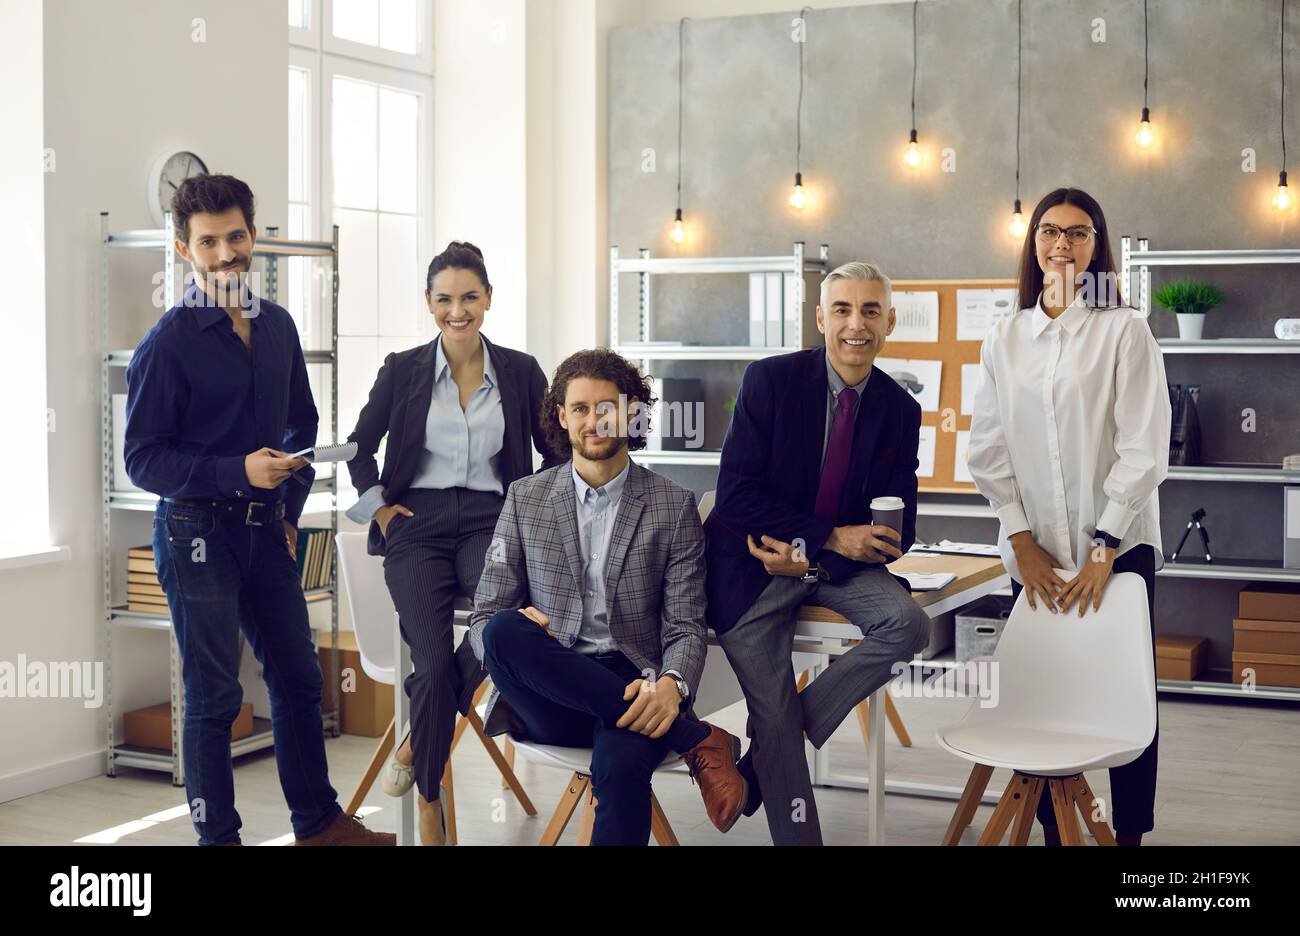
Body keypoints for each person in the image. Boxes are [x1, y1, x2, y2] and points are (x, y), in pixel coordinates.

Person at [125, 173, 391, 845]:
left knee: (301, 683)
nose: (224, 254)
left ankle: (319, 825)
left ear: (254, 235)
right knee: (214, 700)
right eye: (207, 242)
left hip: (266, 535)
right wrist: (234, 471)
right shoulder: (168, 343)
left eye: (235, 236)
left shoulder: (278, 327)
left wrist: (289, 509)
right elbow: (142, 459)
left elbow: (302, 422)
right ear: (185, 250)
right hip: (195, 537)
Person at [469, 349, 746, 845]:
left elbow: (685, 624)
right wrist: (522, 619)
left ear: (632, 411)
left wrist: (672, 686)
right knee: (505, 629)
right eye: (580, 408)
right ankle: (694, 740)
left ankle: (676, 727)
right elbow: (485, 615)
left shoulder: (672, 505)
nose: (593, 421)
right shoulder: (525, 498)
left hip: (638, 684)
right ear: (561, 416)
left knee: (620, 768)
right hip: (548, 692)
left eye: (607, 407)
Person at [967, 186, 1171, 846]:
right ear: (1033, 243)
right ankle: (1058, 830)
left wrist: (1104, 543)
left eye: (1078, 234)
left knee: (1124, 691)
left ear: (1096, 246)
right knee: (1047, 686)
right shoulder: (1005, 338)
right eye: (1050, 232)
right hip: (1038, 552)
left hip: (1120, 544)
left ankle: (1129, 834)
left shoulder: (1124, 330)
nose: (1062, 245)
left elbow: (1144, 447)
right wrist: (1020, 540)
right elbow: (987, 448)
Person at [704, 261, 931, 846]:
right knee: (773, 716)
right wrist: (826, 535)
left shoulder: (900, 409)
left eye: (871, 311)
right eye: (843, 310)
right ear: (820, 318)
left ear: (890, 323)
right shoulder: (769, 381)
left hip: (833, 568)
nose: (856, 324)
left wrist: (851, 546)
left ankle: (761, 761)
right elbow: (735, 497)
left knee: (907, 623)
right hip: (756, 568)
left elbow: (901, 520)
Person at [345, 241, 557, 845]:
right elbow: (359, 446)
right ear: (429, 303)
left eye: (469, 297)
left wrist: (539, 516)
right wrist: (380, 509)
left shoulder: (519, 370)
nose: (457, 310)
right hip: (418, 522)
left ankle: (418, 745)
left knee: (506, 621)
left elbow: (553, 452)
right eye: (445, 299)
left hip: (494, 520)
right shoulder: (403, 369)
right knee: (432, 661)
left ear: (488, 298)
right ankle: (432, 797)